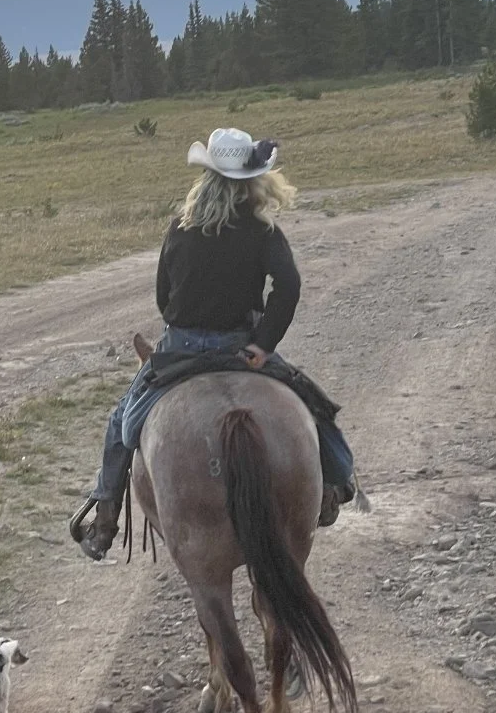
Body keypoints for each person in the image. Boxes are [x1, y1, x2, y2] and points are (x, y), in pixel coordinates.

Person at [69, 126, 358, 561]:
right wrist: (262, 344)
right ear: (249, 182)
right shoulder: (263, 230)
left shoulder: (180, 228)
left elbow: (163, 296)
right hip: (242, 347)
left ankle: (106, 515)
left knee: (121, 426)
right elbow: (289, 286)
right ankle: (337, 483)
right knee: (315, 407)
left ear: (206, 179)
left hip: (181, 348)